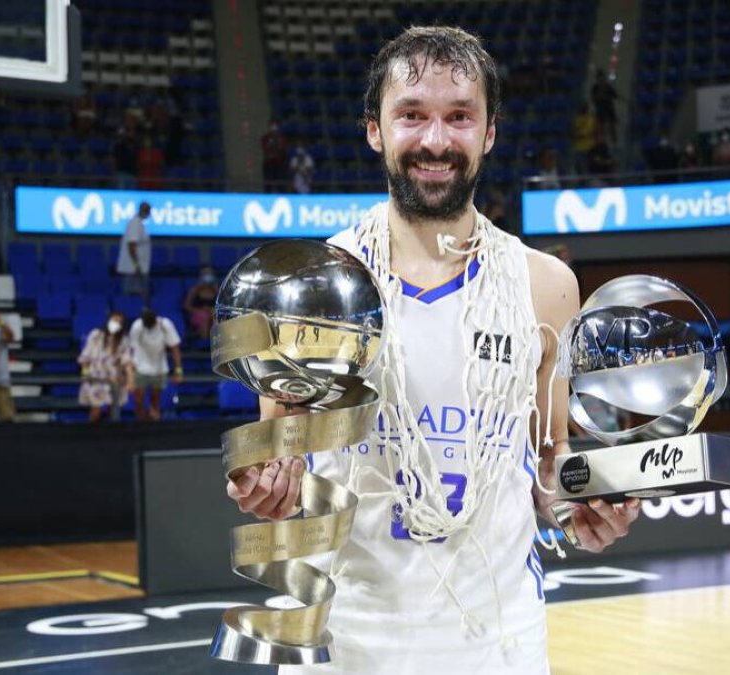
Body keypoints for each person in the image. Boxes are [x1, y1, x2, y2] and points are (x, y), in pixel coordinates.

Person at [226, 27, 639, 674]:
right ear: (374, 129)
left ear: (489, 133)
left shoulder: (547, 286)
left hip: (498, 643)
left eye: (459, 117)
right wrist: (267, 482)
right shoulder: (309, 286)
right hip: (345, 642)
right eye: (412, 115)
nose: (436, 141)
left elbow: (548, 459)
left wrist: (580, 504)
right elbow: (277, 454)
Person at [77, 311, 134, 422]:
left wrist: (130, 380)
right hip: (96, 378)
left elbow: (127, 361)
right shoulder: (96, 335)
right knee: (95, 411)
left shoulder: (124, 340)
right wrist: (85, 373)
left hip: (114, 379)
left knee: (113, 410)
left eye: (119, 322)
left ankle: (111, 436)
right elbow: (85, 357)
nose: (115, 323)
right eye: (114, 320)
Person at [129, 307, 183, 421]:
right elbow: (132, 349)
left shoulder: (165, 325)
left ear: (155, 320)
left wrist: (178, 370)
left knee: (155, 400)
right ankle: (141, 424)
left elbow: (174, 348)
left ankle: (154, 426)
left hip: (159, 368)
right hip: (140, 367)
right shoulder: (137, 326)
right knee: (138, 400)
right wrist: (130, 371)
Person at [117, 201, 152, 299]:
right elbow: (132, 245)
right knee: (131, 296)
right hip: (134, 268)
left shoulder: (140, 224)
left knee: (142, 294)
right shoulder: (134, 223)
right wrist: (136, 264)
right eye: (147, 210)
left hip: (139, 267)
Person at [183, 266, 219, 339]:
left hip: (212, 313)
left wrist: (216, 289)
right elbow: (186, 306)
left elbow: (222, 304)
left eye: (209, 273)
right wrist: (199, 311)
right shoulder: (195, 290)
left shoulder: (216, 290)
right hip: (198, 314)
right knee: (205, 319)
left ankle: (215, 342)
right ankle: (204, 343)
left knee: (214, 317)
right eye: (205, 273)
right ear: (201, 276)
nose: (207, 275)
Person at [261, 119, 289, 188]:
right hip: (269, 164)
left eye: (275, 125)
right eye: (272, 125)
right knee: (268, 184)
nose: (274, 127)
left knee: (280, 184)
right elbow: (265, 148)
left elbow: (283, 148)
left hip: (280, 164)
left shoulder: (282, 138)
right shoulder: (266, 138)